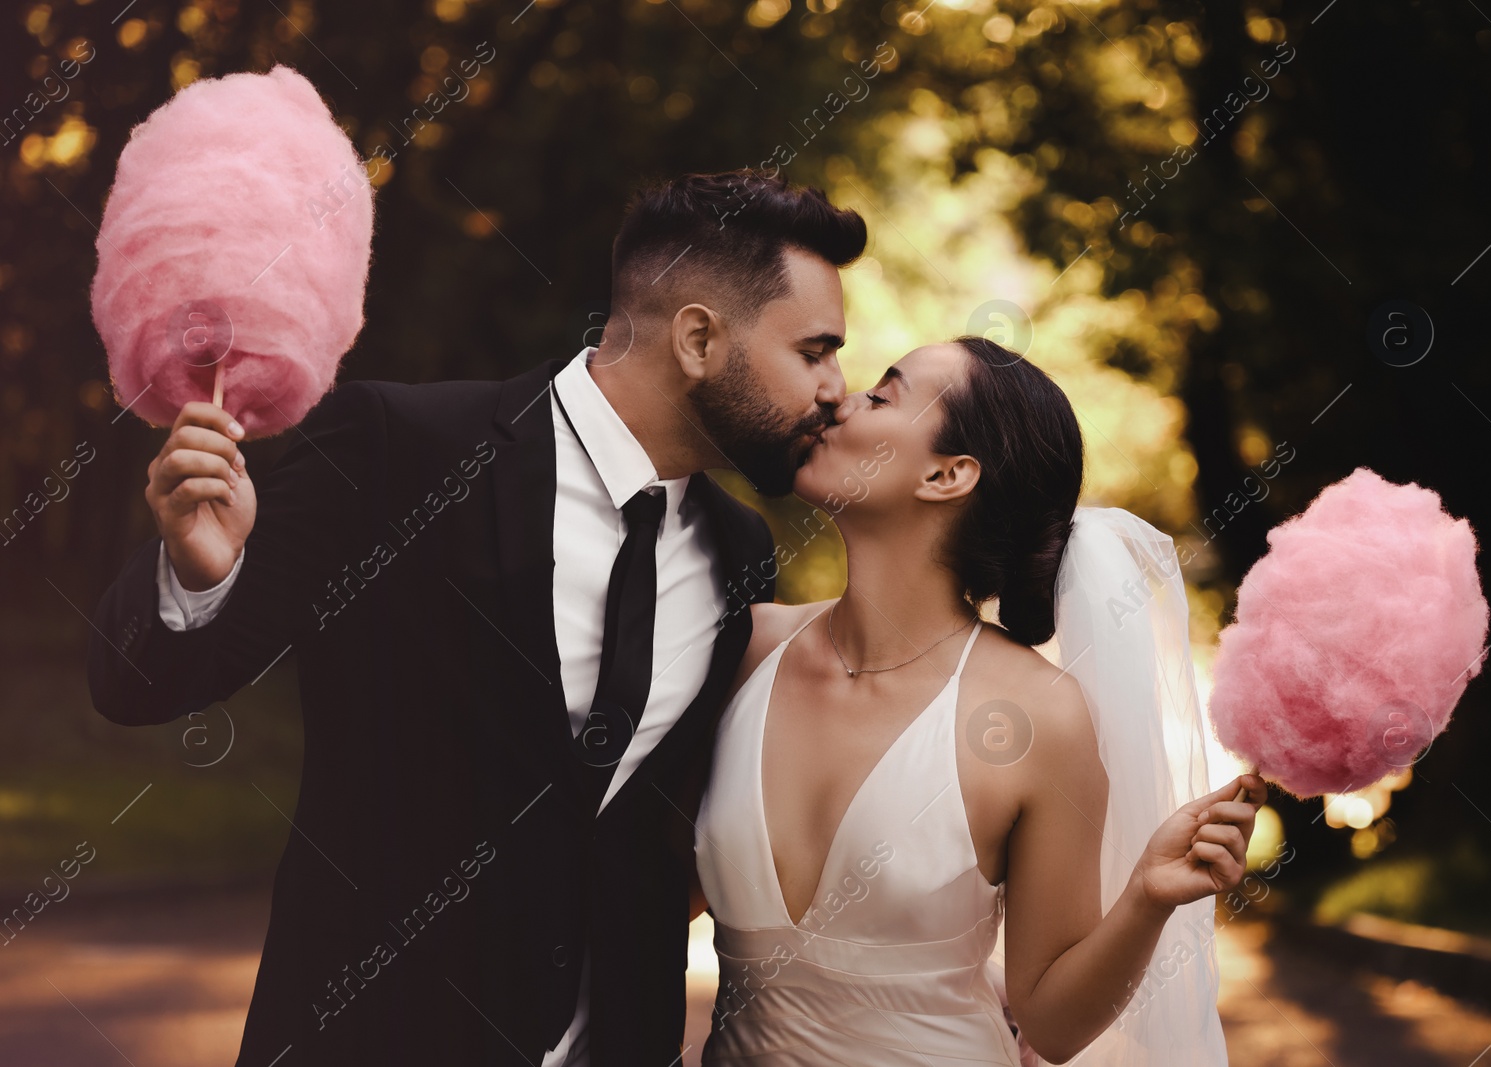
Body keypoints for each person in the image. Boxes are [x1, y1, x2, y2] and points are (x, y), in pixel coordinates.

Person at [86, 170, 865, 1066]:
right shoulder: (397, 448)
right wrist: (194, 574)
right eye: (815, 350)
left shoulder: (740, 550)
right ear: (697, 337)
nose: (836, 388)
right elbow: (136, 685)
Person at [693, 336, 1268, 1064]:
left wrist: (1147, 896)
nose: (840, 398)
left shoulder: (1041, 716)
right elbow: (641, 891)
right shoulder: (744, 652)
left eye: (884, 392)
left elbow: (1050, 1024)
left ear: (946, 474)